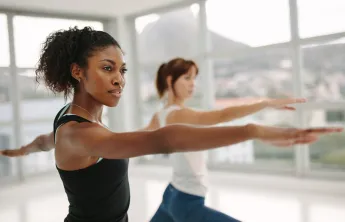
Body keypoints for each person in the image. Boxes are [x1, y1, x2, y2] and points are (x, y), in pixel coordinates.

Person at [0, 27, 342, 222]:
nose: (119, 80)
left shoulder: (70, 122)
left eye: (123, 70)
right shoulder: (82, 133)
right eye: (108, 68)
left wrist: (26, 148)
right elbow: (165, 139)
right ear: (78, 72)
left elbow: (50, 139)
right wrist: (253, 130)